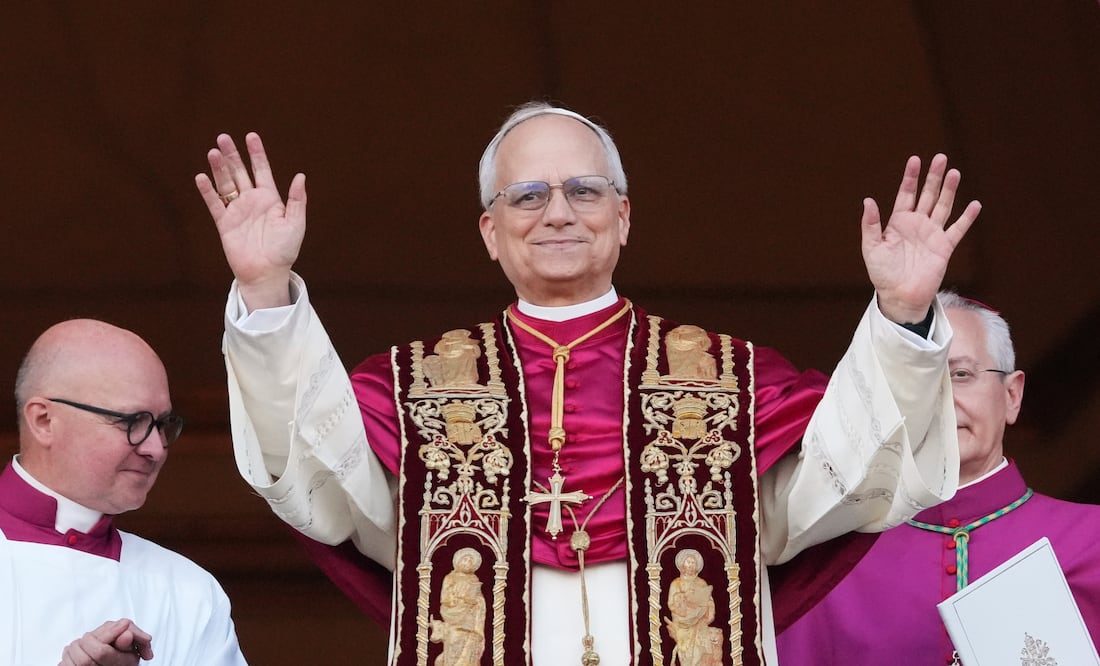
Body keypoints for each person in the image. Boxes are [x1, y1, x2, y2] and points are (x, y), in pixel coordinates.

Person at [195, 101, 981, 664]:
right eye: (527, 195)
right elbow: (320, 482)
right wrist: (266, 295)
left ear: (625, 215)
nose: (558, 212)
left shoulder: (727, 379)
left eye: (584, 190)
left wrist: (902, 316)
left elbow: (839, 487)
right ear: (489, 231)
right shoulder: (415, 389)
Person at [774, 292, 1100, 665]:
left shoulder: (1092, 541)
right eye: (920, 380)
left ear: (1012, 395)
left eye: (961, 374)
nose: (942, 399)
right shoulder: (828, 558)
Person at [0, 319, 249, 665]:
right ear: (44, 421)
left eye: (162, 424)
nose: (156, 449)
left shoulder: (189, 592)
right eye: (132, 422)